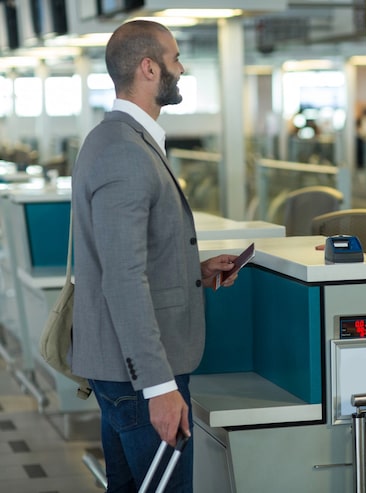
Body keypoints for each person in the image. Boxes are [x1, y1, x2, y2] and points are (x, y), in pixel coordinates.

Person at [70, 20, 238, 492]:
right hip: (140, 377)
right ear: (148, 68)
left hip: (123, 373)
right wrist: (159, 387)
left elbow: (125, 258)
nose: (181, 69)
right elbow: (122, 278)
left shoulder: (113, 140)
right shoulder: (125, 153)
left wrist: (194, 272)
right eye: (175, 58)